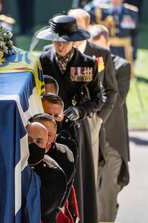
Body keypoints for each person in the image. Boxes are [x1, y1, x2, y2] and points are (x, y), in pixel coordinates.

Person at [37, 15, 105, 223]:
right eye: (56, 41)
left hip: (75, 128)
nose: (59, 45)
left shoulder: (88, 63)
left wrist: (79, 110)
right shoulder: (42, 61)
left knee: (77, 177)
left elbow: (98, 98)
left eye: (64, 42)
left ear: (74, 41)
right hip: (48, 127)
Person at [68, 8, 118, 185]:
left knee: (89, 172)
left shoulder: (100, 53)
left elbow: (111, 90)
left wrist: (99, 119)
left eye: (78, 25)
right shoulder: (56, 51)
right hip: (65, 117)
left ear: (87, 27)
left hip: (91, 118)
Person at [90, 24, 131, 223]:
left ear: (106, 44)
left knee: (107, 193)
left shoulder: (121, 65)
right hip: (92, 136)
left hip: (112, 139)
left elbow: (116, 99)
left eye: (99, 45)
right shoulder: (84, 62)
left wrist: (101, 69)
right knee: (90, 193)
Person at [27, 122, 67, 223]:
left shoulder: (55, 174)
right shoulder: (13, 164)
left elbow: (41, 208)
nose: (33, 145)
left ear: (47, 146)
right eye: (29, 140)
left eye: (39, 141)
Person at [85, 0, 138, 71]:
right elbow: (86, 13)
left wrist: (133, 53)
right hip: (106, 47)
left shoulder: (131, 12)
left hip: (123, 50)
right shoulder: (100, 9)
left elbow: (134, 34)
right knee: (102, 71)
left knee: (121, 71)